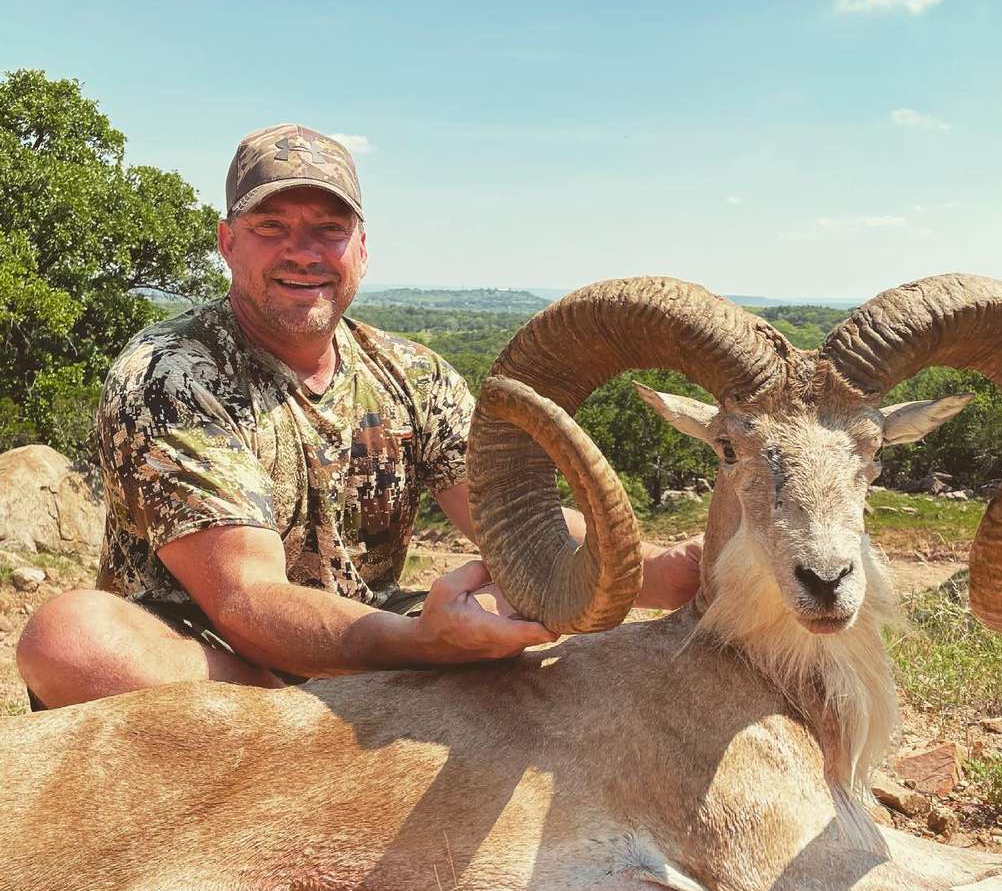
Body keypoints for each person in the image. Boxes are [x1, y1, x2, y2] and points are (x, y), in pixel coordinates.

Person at [16, 124, 702, 710]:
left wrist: (670, 570)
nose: (304, 252)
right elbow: (246, 600)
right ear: (228, 243)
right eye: (271, 228)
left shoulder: (415, 373)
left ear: (362, 250)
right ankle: (313, 725)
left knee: (509, 595)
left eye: (329, 230)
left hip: (368, 634)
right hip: (215, 660)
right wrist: (421, 645)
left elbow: (520, 526)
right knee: (70, 638)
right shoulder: (169, 372)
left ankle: (339, 718)